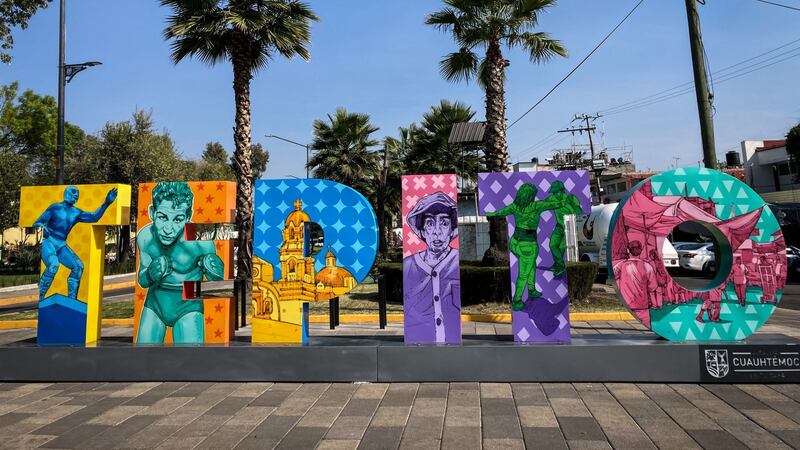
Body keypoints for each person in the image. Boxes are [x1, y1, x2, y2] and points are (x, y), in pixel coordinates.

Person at [136, 182, 224, 345]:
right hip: (155, 304)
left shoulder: (200, 243)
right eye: (162, 217)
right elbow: (142, 280)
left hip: (188, 306)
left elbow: (218, 285)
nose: (168, 228)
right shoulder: (146, 237)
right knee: (142, 360)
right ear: (152, 212)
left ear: (188, 217)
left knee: (190, 364)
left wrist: (215, 273)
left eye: (178, 219)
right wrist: (150, 274)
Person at [34, 186, 118, 301]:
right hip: (49, 241)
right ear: (67, 194)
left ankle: (71, 300)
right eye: (73, 193)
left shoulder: (76, 212)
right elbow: (37, 222)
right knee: (53, 265)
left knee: (78, 267)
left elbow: (94, 217)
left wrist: (106, 203)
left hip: (61, 245)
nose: (75, 196)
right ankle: (41, 297)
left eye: (77, 194)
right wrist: (43, 227)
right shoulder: (55, 208)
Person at [486, 183, 561, 311]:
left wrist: (490, 213)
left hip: (515, 243)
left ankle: (531, 290)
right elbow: (556, 204)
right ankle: (517, 300)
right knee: (523, 274)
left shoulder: (515, 206)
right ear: (531, 195)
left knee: (531, 265)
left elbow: (500, 212)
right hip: (528, 245)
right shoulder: (537, 206)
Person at [403, 192, 460, 344]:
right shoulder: (409, 264)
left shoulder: (456, 261)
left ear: (452, 229)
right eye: (429, 223)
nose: (437, 231)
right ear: (421, 230)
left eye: (444, 223)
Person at [613, 240, 657, 328]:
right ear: (641, 250)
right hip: (642, 305)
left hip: (626, 304)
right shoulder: (647, 266)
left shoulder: (620, 266)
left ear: (628, 251)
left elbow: (613, 277)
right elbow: (652, 287)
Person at [547, 181, 583, 277]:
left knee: (562, 247)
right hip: (559, 226)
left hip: (569, 226)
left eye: (556, 192)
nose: (555, 194)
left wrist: (572, 208)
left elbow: (579, 211)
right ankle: (559, 264)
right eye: (553, 192)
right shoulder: (552, 198)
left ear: (561, 190)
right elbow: (541, 205)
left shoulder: (571, 198)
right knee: (552, 245)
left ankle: (559, 266)